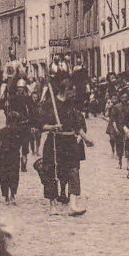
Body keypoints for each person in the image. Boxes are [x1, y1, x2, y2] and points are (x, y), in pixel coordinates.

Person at [41, 77, 93, 216]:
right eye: (72, 90)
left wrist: (86, 139)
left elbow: (77, 125)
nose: (74, 93)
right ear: (66, 90)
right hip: (54, 141)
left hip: (70, 142)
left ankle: (73, 204)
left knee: (74, 171)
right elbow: (40, 125)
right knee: (52, 171)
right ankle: (52, 205)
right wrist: (52, 127)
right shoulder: (50, 104)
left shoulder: (72, 105)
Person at [0, 111, 25, 205]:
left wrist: (24, 155)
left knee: (9, 176)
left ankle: (10, 195)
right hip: (7, 156)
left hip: (11, 156)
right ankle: (9, 196)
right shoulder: (4, 131)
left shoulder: (18, 132)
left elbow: (24, 144)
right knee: (9, 176)